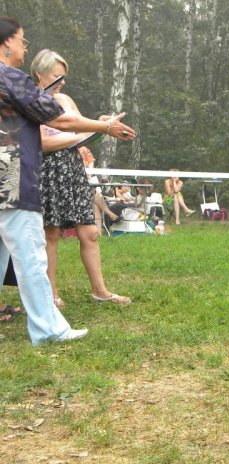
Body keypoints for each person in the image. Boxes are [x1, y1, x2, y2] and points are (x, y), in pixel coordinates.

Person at [0, 17, 135, 344]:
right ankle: (49, 330)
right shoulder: (11, 78)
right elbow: (57, 118)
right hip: (14, 178)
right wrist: (103, 127)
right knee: (32, 255)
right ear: (6, 44)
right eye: (22, 40)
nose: (24, 46)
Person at [31, 49, 132, 308]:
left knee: (89, 231)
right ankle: (50, 295)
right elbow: (40, 143)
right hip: (46, 171)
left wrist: (108, 127)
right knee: (50, 233)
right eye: (56, 76)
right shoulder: (29, 101)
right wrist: (83, 135)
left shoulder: (64, 99)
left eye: (63, 76)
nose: (62, 81)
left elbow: (86, 128)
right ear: (39, 74)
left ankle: (100, 291)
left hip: (73, 169)